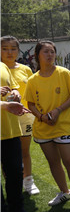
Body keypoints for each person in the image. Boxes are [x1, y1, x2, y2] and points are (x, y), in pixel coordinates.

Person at [24, 41, 70, 210]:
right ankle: (64, 192)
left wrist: (57, 111)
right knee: (53, 162)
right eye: (46, 52)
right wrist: (41, 117)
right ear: (37, 55)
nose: (50, 55)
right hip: (43, 129)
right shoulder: (32, 80)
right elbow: (30, 103)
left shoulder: (64, 73)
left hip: (64, 125)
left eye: (52, 52)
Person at [1, 36, 40, 195]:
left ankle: (28, 181)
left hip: (25, 116)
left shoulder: (25, 69)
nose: (9, 52)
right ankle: (13, 183)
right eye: (4, 48)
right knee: (7, 155)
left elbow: (33, 92)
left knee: (24, 151)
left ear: (18, 50)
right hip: (4, 118)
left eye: (13, 48)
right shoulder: (1, 69)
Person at [1, 62, 35, 212]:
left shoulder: (3, 66)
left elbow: (13, 87)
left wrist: (15, 93)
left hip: (11, 128)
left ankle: (18, 210)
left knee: (15, 172)